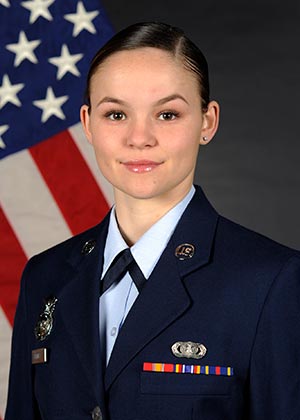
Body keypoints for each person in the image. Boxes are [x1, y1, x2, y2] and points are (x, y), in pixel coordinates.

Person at [5, 22, 300, 420]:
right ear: (88, 124)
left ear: (207, 122)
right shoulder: (45, 276)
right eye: (115, 114)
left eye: (166, 113)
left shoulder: (271, 281)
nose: (139, 137)